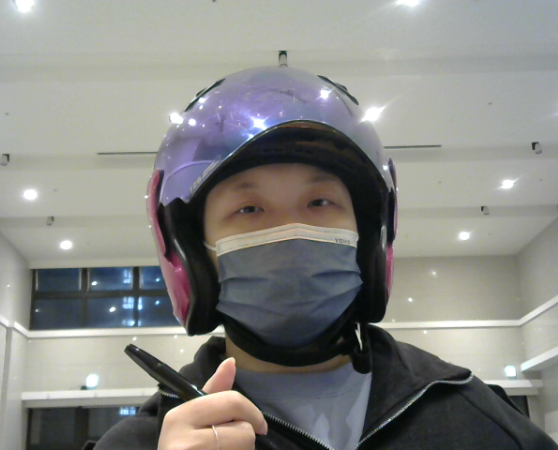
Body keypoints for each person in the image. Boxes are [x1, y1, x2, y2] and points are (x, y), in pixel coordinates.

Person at [94, 66, 557, 449]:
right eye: (249, 209)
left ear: (367, 237)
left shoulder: (478, 418)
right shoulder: (143, 442)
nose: (291, 230)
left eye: (319, 202)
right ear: (194, 254)